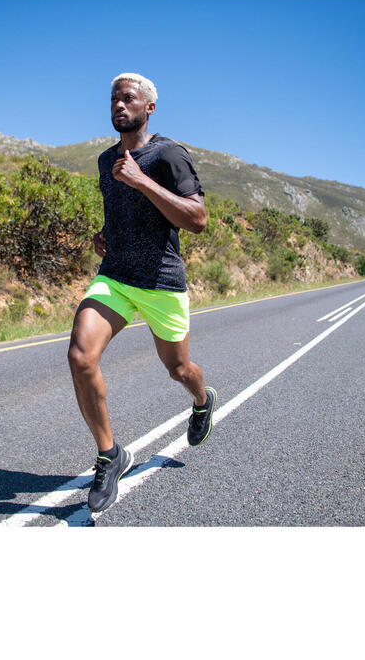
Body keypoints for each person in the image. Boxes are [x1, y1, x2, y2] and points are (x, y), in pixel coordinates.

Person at [67, 72, 217, 513]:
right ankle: (110, 454)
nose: (118, 105)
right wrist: (104, 234)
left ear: (148, 107)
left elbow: (198, 219)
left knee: (180, 369)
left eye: (128, 98)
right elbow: (123, 213)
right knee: (80, 356)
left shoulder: (167, 154)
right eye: (113, 99)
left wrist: (141, 181)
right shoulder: (104, 160)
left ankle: (202, 400)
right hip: (115, 276)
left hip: (161, 282)